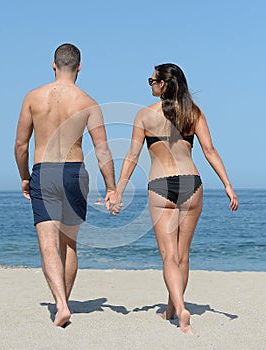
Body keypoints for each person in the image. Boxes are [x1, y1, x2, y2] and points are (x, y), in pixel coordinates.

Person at [105, 63, 238, 335]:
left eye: (152, 80)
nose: (150, 84)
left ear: (163, 84)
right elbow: (210, 150)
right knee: (183, 256)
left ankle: (179, 308)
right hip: (192, 183)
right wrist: (228, 185)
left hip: (160, 185)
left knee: (168, 256)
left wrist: (118, 190)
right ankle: (172, 309)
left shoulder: (145, 115)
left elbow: (132, 157)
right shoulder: (193, 113)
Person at [15, 43, 119, 327]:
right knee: (68, 244)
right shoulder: (88, 102)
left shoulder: (33, 98)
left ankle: (60, 304)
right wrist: (111, 187)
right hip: (74, 172)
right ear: (79, 68)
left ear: (53, 65)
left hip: (44, 171)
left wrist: (24, 176)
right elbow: (102, 151)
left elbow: (21, 145)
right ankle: (65, 302)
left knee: (48, 246)